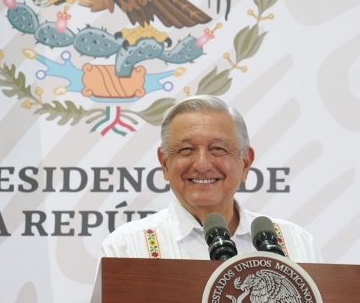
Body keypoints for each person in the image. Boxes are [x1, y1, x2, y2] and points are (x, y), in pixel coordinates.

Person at [100, 95, 323, 263]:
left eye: (217, 149)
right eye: (186, 150)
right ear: (165, 162)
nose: (202, 164)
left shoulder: (296, 244)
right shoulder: (128, 247)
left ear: (245, 162)